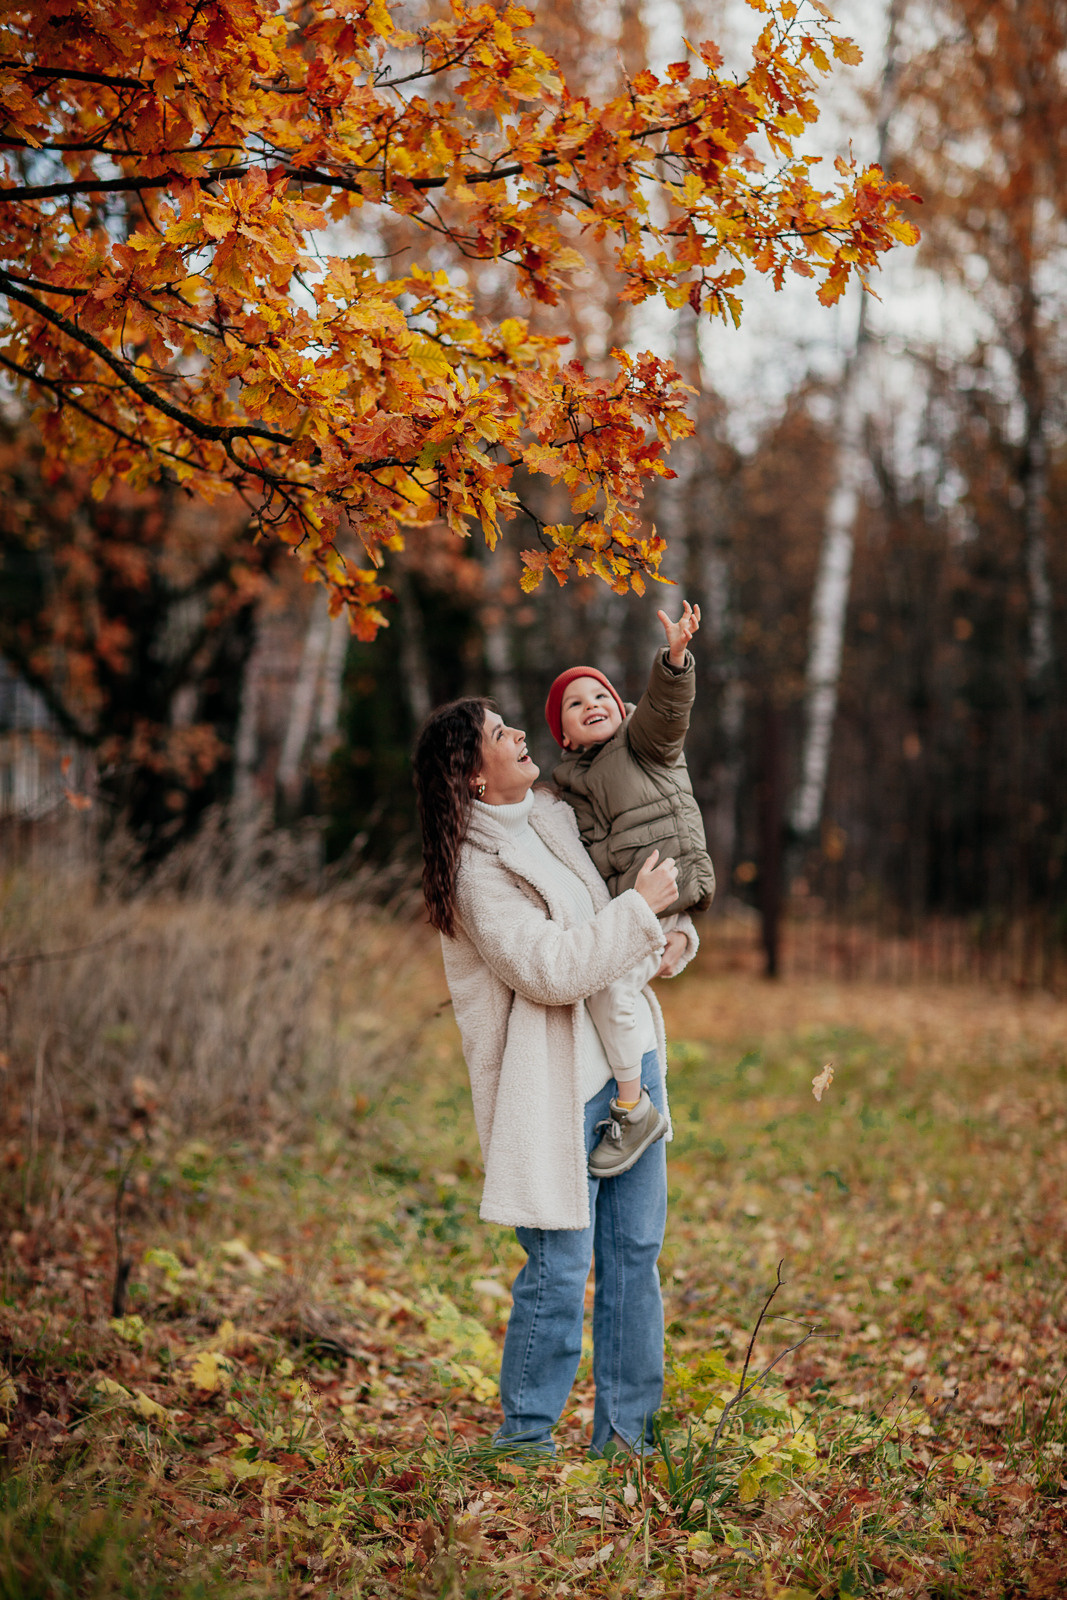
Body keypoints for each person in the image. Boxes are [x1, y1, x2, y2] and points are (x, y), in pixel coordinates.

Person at [413, 697, 679, 1457]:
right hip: (552, 1088)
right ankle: (524, 1440)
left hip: (630, 1067)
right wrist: (635, 914)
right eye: (500, 734)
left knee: (634, 1257)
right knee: (559, 1269)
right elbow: (549, 970)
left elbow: (644, 822)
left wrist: (665, 934)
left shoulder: (555, 816)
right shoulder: (473, 875)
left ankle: (628, 1439)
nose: (520, 735)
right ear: (469, 776)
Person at [545, 602, 716, 1177]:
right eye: (576, 704)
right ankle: (680, 939)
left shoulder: (642, 743)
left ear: (621, 708)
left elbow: (668, 712)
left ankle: (633, 1105)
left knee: (609, 990)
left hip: (666, 891)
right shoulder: (572, 783)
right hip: (640, 908)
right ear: (564, 737)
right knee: (605, 987)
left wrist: (673, 659)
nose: (592, 705)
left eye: (600, 697)